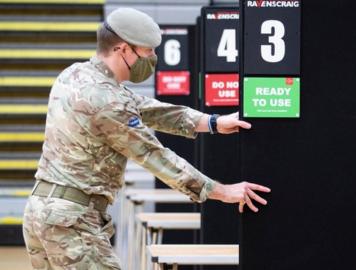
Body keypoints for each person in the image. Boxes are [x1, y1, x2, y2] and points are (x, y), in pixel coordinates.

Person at [22, 7, 270, 270]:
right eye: (147, 50)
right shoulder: (107, 101)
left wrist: (213, 123)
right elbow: (155, 157)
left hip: (43, 212)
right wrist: (222, 191)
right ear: (123, 49)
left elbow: (146, 108)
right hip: (72, 222)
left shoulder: (74, 76)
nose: (153, 57)